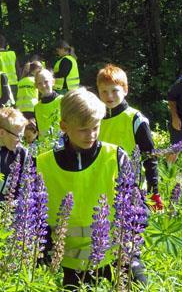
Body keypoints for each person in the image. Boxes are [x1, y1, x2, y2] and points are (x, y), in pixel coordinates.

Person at [36, 88, 145, 289]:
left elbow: (137, 204)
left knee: (141, 284)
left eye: (95, 127)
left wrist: (133, 245)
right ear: (64, 126)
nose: (91, 134)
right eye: (83, 129)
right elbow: (35, 217)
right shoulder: (43, 163)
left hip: (116, 255)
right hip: (66, 263)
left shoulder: (116, 156)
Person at [96, 64, 162, 210]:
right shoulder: (96, 118)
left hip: (132, 189)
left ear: (125, 90)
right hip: (102, 187)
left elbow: (150, 156)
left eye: (115, 90)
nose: (109, 96)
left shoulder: (135, 118)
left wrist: (154, 192)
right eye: (104, 91)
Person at [34, 69, 63, 142]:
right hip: (44, 149)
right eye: (39, 83)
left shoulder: (62, 101)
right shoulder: (37, 107)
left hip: (61, 147)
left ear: (53, 82)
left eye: (46, 82)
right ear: (36, 86)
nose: (43, 85)